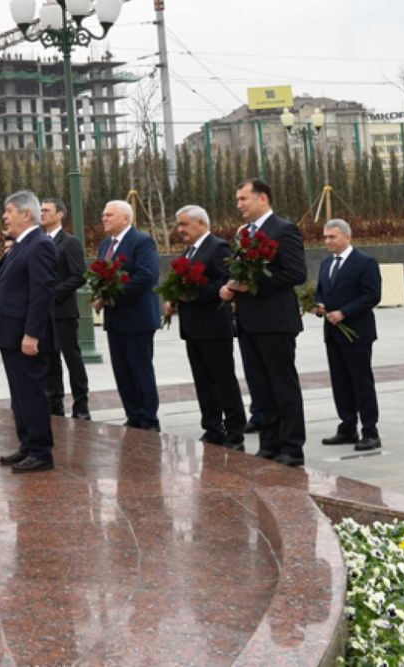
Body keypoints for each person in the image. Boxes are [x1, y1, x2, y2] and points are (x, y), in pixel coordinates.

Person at [218, 178, 306, 466]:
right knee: (259, 386)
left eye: (244, 198)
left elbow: (296, 273)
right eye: (237, 199)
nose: (239, 205)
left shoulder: (284, 229)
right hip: (248, 322)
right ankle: (269, 443)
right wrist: (231, 287)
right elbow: (239, 271)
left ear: (263, 198)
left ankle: (291, 447)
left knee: (282, 385)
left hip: (276, 321)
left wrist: (252, 284)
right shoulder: (244, 233)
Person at [0, 190, 57, 472]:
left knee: (31, 393)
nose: (5, 216)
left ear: (26, 214)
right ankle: (27, 445)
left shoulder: (40, 244)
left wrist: (32, 334)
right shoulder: (21, 244)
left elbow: (41, 293)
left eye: (9, 211)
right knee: (19, 393)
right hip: (10, 334)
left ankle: (41, 451)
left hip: (25, 336)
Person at [166, 205, 245, 448]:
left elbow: (226, 283)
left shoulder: (218, 247)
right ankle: (212, 428)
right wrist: (174, 297)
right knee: (202, 381)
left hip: (213, 326)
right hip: (192, 327)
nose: (180, 229)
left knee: (223, 380)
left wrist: (195, 293)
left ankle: (235, 431)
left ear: (201, 223)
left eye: (184, 224)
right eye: (178, 225)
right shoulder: (189, 252)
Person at [91, 200, 161, 431]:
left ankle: (148, 419)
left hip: (138, 318)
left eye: (109, 214)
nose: (104, 218)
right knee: (122, 372)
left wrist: (110, 297)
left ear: (126, 218)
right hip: (115, 320)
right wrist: (100, 294)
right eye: (103, 214)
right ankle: (133, 416)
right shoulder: (105, 245)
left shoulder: (142, 241)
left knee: (140, 370)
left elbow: (146, 276)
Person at [314, 219, 382, 452]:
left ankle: (370, 432)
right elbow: (321, 292)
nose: (327, 241)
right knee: (340, 383)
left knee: (361, 383)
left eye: (332, 237)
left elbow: (372, 295)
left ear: (347, 236)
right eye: (325, 237)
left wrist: (344, 312)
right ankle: (347, 427)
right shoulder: (326, 263)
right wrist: (318, 305)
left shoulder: (365, 262)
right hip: (333, 334)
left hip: (357, 333)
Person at [40, 197, 90, 420]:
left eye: (46, 210)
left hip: (62, 311)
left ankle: (81, 406)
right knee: (49, 359)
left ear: (60, 214)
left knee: (72, 359)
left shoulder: (69, 242)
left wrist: (54, 293)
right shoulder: (39, 241)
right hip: (42, 312)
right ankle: (54, 404)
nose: (42, 213)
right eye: (41, 210)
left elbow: (79, 275)